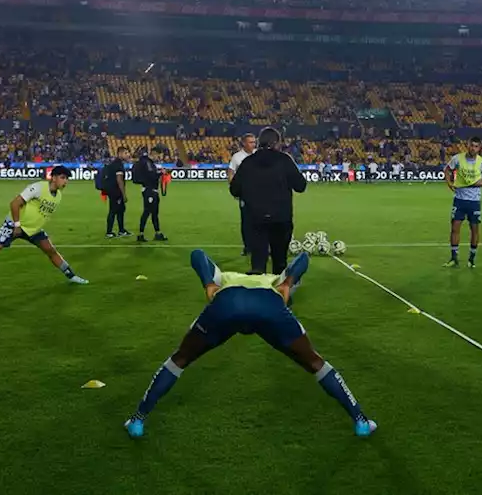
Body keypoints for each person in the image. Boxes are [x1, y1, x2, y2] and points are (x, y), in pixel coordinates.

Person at [123, 249, 376, 439]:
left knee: (180, 359)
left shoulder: (227, 277)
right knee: (314, 361)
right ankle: (361, 421)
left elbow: (197, 255)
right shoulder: (272, 279)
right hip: (268, 307)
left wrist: (209, 283)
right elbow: (303, 258)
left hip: (227, 304)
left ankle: (138, 419)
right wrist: (287, 283)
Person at [0, 166, 86, 295]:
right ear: (53, 178)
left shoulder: (58, 196)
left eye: (67, 179)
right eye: (63, 178)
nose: (66, 181)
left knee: (51, 250)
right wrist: (17, 225)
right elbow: (14, 203)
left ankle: (71, 276)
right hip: (13, 225)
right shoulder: (38, 188)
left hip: (33, 230)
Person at [230, 127, 307, 275]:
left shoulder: (248, 162)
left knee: (258, 262)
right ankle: (280, 295)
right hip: (281, 218)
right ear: (276, 143)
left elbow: (234, 189)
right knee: (280, 262)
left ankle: (259, 293)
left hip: (255, 218)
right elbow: (300, 186)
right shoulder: (285, 160)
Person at [443, 136, 482, 268]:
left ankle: (472, 259)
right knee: (454, 229)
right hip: (459, 200)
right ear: (467, 145)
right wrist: (449, 183)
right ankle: (454, 258)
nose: (473, 148)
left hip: (474, 201)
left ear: (479, 148)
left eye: (476, 146)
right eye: (471, 145)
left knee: (474, 230)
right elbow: (447, 170)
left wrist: (478, 183)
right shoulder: (457, 158)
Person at [228, 133, 257, 256]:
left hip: (259, 193)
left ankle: (261, 246)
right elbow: (230, 173)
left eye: (254, 142)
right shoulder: (237, 157)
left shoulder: (258, 155)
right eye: (250, 142)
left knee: (260, 220)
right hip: (245, 194)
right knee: (246, 221)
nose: (253, 144)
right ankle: (248, 246)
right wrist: (234, 189)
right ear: (244, 143)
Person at [133, 148, 168, 242]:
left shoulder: (149, 163)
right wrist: (161, 172)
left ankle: (158, 233)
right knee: (147, 212)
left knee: (154, 213)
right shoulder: (148, 162)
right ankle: (140, 234)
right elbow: (151, 175)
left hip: (152, 191)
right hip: (149, 191)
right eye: (158, 155)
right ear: (154, 154)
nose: (159, 158)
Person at [102, 147, 130, 239]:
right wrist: (124, 194)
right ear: (120, 154)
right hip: (116, 192)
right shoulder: (118, 164)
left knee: (121, 210)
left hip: (113, 190)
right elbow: (119, 180)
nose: (128, 155)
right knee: (113, 211)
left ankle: (121, 230)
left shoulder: (116, 163)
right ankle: (109, 232)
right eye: (126, 153)